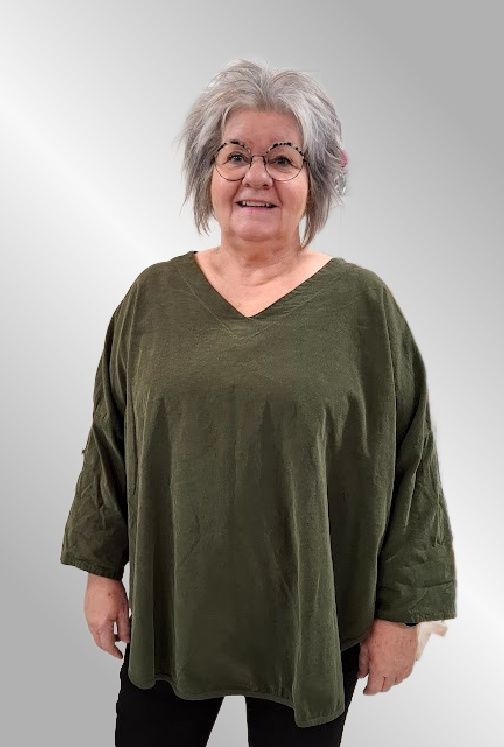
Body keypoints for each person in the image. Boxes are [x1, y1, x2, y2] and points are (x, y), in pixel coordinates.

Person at [60, 58, 457, 747]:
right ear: (206, 172)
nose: (256, 177)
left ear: (316, 179)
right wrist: (101, 573)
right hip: (173, 614)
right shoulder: (153, 299)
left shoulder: (363, 308)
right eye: (235, 155)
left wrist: (403, 615)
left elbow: (411, 465)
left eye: (282, 158)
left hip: (312, 620)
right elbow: (110, 443)